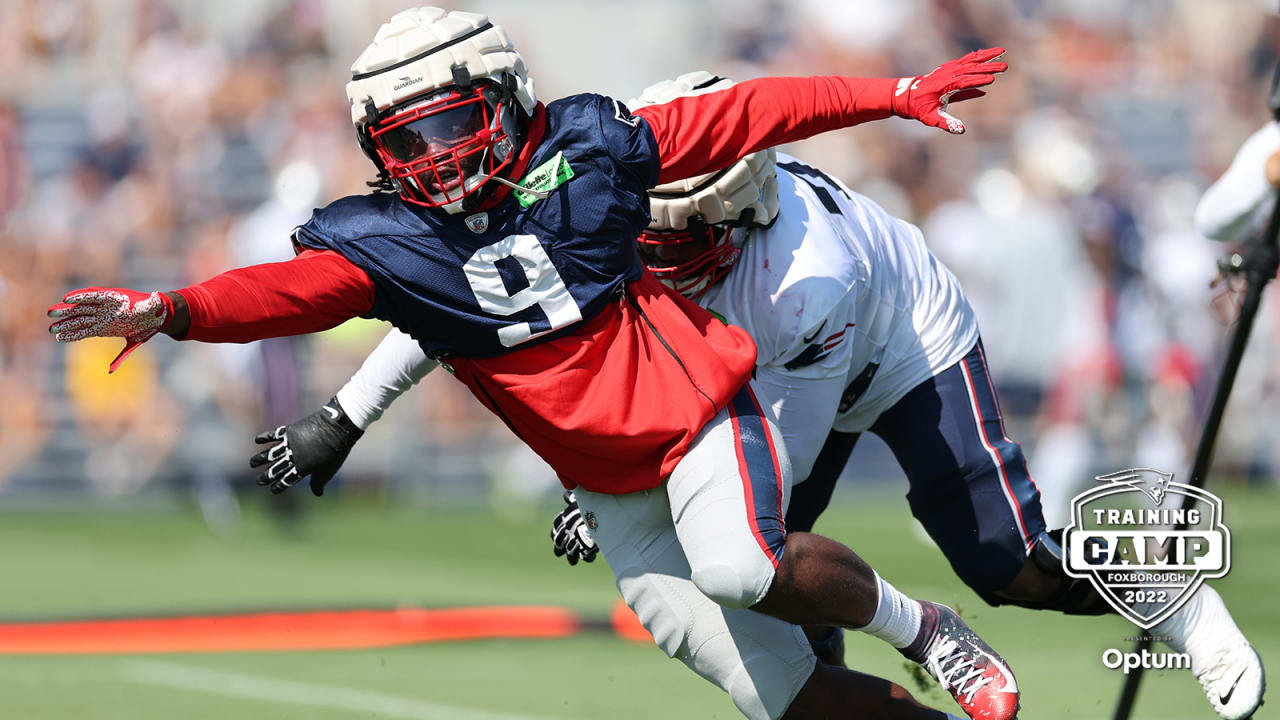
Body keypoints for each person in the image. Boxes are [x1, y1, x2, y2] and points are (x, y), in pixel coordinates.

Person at [47, 8, 1014, 720]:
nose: (434, 159)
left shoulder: (588, 147)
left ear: (502, 95)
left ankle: (929, 631)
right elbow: (284, 292)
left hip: (698, 414)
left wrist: (887, 94)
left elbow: (738, 117)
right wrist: (172, 310)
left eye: (449, 124)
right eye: (405, 141)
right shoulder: (390, 239)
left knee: (738, 564)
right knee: (780, 696)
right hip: (605, 482)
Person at [282, 68, 1267, 720]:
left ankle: (1158, 591)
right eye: (643, 234)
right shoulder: (607, 197)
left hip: (892, 342)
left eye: (675, 241)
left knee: (996, 563)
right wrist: (346, 414)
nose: (650, 257)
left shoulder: (804, 274)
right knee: (778, 608)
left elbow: (764, 471)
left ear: (737, 215)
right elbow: (466, 298)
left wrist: (615, 484)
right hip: (766, 365)